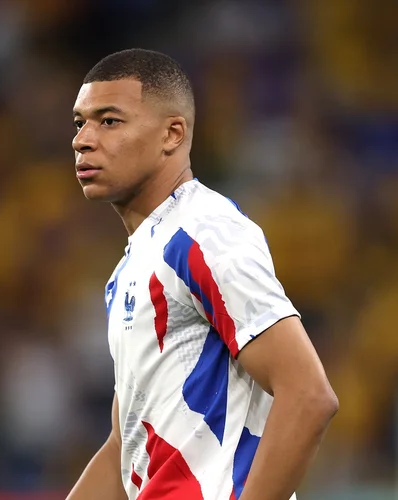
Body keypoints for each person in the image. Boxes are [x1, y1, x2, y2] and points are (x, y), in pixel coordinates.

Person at [65, 49, 338, 500]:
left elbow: (309, 396)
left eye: (109, 121)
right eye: (80, 123)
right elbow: (124, 450)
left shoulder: (205, 233)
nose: (83, 139)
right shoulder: (131, 268)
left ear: (173, 134)